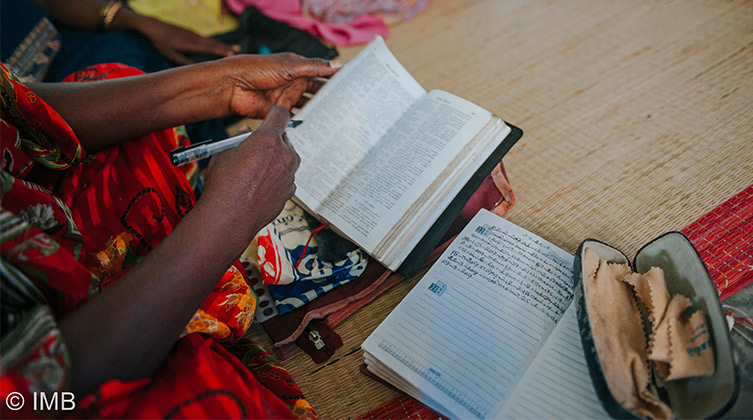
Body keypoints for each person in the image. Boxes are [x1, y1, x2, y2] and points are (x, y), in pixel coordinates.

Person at [0, 51, 341, 418]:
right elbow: (36, 394)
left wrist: (226, 82)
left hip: (34, 211)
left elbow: (20, 115)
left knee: (114, 78)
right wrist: (231, 215)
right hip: (59, 378)